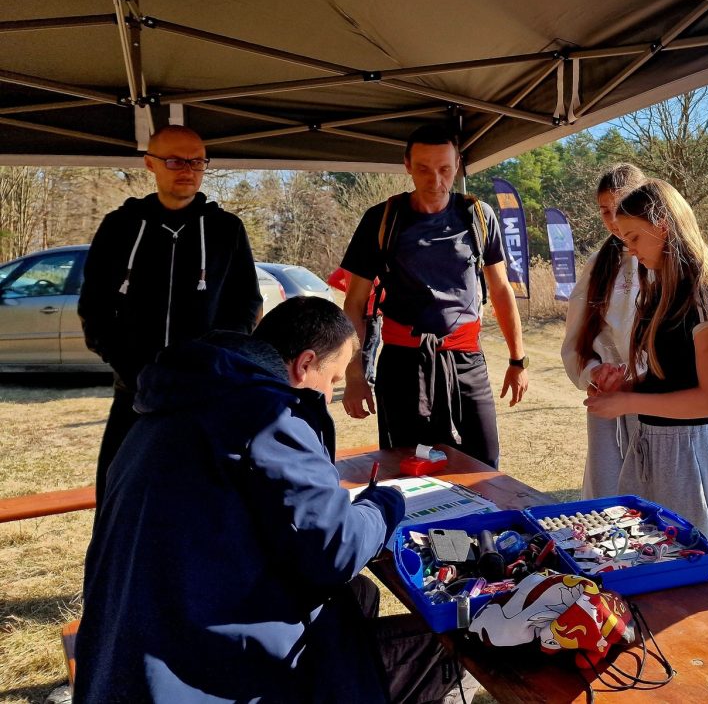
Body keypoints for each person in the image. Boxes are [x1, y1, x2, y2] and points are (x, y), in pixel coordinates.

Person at [76, 297, 471, 703]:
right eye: (333, 381)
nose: (331, 396)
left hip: (129, 654)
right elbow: (336, 549)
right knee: (447, 639)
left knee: (360, 596)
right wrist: (386, 503)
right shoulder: (267, 414)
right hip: (207, 672)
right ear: (304, 364)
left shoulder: (175, 403)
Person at [78, 124, 261, 506]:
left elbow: (245, 304)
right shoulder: (121, 226)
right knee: (119, 495)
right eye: (176, 160)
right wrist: (134, 370)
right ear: (150, 164)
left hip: (207, 390)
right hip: (135, 390)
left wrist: (216, 363)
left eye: (197, 161)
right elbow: (95, 308)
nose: (188, 170)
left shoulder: (226, 229)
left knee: (200, 499)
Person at [339, 123, 528, 468]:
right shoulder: (382, 219)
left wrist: (518, 360)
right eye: (424, 169)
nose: (436, 181)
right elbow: (353, 304)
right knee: (407, 470)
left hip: (466, 361)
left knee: (482, 467)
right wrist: (355, 375)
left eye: (444, 169)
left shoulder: (478, 216)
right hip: (402, 365)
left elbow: (501, 290)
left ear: (458, 164)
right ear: (407, 166)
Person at [585, 179, 708, 588]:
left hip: (691, 457)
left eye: (635, 237)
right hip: (654, 445)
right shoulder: (660, 289)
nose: (631, 249)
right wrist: (626, 385)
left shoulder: (704, 294)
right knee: (644, 565)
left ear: (664, 227)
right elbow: (668, 373)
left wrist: (627, 404)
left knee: (694, 577)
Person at [560, 164, 645, 497]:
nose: (613, 220)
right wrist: (596, 373)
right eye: (605, 211)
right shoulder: (599, 263)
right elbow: (576, 339)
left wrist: (638, 376)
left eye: (621, 208)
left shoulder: (665, 260)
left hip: (650, 396)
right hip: (607, 394)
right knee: (606, 487)